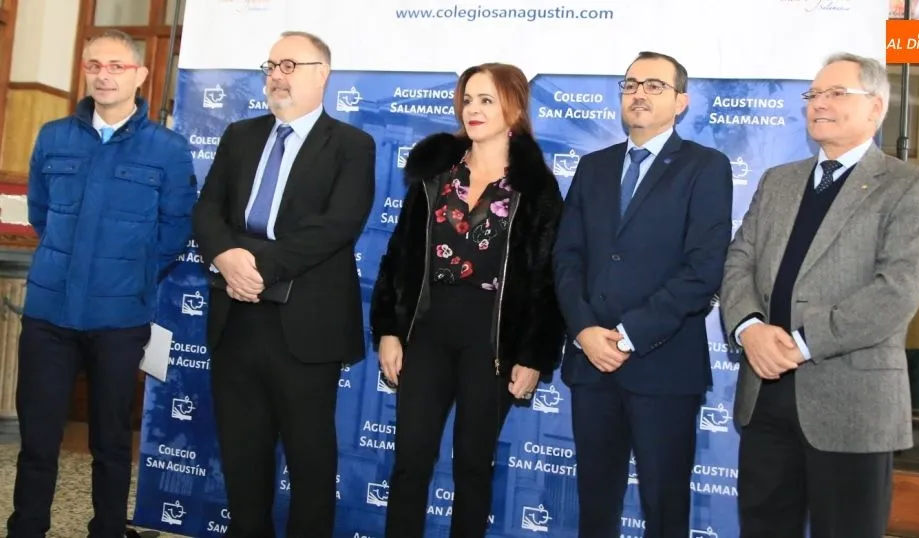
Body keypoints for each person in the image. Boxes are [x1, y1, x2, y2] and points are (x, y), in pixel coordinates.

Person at [720, 52, 919, 538]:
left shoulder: (911, 188)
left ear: (876, 108)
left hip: (852, 403)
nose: (819, 104)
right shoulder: (779, 180)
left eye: (836, 93)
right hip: (765, 396)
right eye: (814, 94)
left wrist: (798, 344)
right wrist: (750, 329)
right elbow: (739, 261)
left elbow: (896, 293)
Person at [8, 29, 196, 538]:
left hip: (120, 319)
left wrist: (128, 275)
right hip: (49, 316)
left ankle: (109, 530)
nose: (104, 75)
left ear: (140, 75)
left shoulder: (169, 149)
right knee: (39, 440)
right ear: (85, 72)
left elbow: (175, 228)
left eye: (116, 66)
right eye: (94, 65)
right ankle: (26, 528)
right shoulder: (53, 136)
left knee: (111, 441)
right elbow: (42, 213)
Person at [191, 31, 375, 538]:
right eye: (271, 65)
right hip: (236, 319)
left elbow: (337, 225)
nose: (276, 74)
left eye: (290, 65)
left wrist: (256, 269)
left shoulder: (352, 145)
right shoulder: (239, 135)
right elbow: (208, 210)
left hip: (305, 327)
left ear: (323, 74)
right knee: (243, 456)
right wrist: (227, 258)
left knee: (310, 461)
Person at [369, 62, 565, 538]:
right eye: (468, 99)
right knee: (410, 462)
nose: (473, 110)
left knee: (473, 467)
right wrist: (390, 331)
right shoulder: (436, 171)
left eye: (487, 100)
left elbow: (546, 279)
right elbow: (399, 256)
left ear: (514, 108)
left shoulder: (536, 187)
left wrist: (533, 356)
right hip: (427, 332)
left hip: (493, 343)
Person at [552, 51, 733, 538]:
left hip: (663, 364)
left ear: (681, 102)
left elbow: (704, 269)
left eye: (654, 86)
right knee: (595, 504)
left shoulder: (705, 167)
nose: (638, 93)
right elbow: (566, 258)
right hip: (591, 363)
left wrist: (629, 336)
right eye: (630, 84)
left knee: (664, 504)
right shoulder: (593, 167)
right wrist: (586, 330)